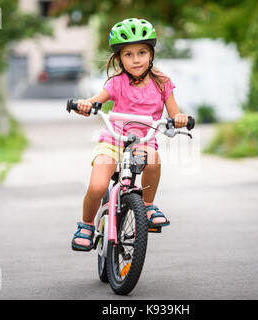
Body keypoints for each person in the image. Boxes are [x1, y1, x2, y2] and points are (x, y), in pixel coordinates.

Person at [71, 18, 189, 251]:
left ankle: (147, 205)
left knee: (153, 160)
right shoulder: (116, 83)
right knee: (97, 186)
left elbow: (175, 114)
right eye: (128, 54)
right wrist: (86, 105)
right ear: (119, 58)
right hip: (113, 140)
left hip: (143, 142)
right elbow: (95, 102)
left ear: (151, 53)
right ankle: (86, 225)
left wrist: (180, 119)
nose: (136, 60)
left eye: (142, 52)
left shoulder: (163, 83)